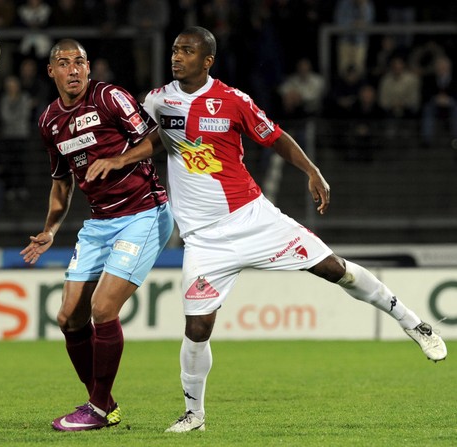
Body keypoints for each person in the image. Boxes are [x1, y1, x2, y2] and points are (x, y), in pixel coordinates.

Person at [84, 26, 448, 433]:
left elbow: (276, 138)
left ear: (207, 60)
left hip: (253, 218)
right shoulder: (156, 100)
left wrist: (312, 171)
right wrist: (120, 160)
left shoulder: (233, 100)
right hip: (204, 240)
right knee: (197, 327)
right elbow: (156, 141)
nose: (177, 56)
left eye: (187, 51)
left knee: (333, 269)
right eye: (174, 49)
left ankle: (412, 321)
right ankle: (195, 415)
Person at [20, 39, 173, 431]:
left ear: (89, 68)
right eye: (63, 63)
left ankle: (98, 409)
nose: (73, 70)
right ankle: (102, 402)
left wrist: (118, 158)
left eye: (79, 62)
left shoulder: (110, 98)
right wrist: (50, 229)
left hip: (143, 213)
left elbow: (158, 139)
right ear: (51, 72)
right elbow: (61, 183)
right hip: (99, 223)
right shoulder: (49, 121)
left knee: (103, 309)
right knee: (69, 317)